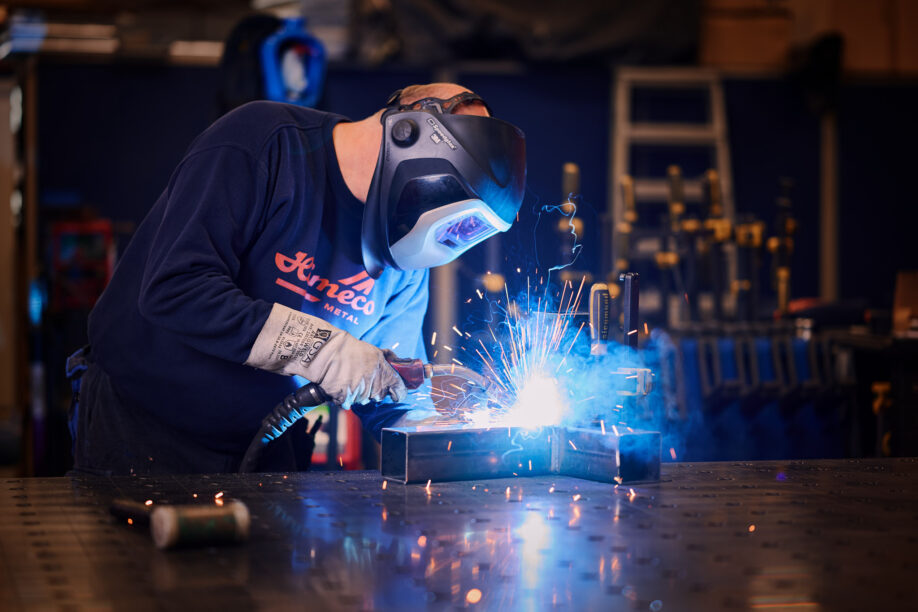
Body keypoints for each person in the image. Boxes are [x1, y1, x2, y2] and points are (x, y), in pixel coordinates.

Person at [67, 83, 526, 475]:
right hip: (140, 428)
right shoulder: (264, 144)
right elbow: (175, 288)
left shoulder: (403, 258)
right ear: (410, 137)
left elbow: (389, 391)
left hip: (265, 450)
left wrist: (441, 434)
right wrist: (322, 349)